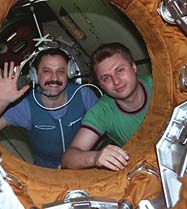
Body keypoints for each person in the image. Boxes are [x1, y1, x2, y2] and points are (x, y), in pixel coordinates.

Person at [0, 48, 99, 169]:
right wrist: (1, 103)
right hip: (46, 171)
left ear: (70, 73)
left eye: (61, 71)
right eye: (46, 71)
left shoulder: (84, 94)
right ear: (35, 75)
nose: (54, 77)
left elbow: (104, 128)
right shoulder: (25, 106)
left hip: (84, 163)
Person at [61, 42, 152, 171]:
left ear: (134, 67)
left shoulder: (160, 83)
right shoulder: (101, 112)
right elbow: (68, 159)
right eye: (106, 78)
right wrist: (96, 157)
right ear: (101, 86)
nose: (116, 81)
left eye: (120, 70)